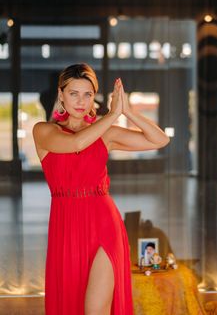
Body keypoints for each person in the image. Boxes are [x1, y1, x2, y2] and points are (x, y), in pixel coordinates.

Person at [33, 62, 170, 315]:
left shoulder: (105, 134)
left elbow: (160, 140)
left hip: (104, 223)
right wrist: (111, 116)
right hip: (67, 229)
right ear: (61, 95)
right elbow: (76, 143)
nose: (81, 101)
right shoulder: (43, 131)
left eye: (88, 94)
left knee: (96, 310)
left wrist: (128, 111)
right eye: (73, 93)